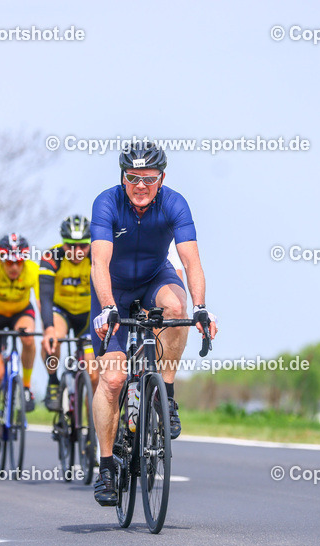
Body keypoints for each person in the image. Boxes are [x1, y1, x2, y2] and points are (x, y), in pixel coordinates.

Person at [89, 141, 218, 506]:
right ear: (122, 177)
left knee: (177, 309)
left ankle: (168, 395)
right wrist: (108, 307)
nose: (140, 186)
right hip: (110, 287)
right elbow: (99, 263)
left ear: (161, 179)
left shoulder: (175, 203)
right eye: (133, 178)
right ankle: (106, 469)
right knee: (112, 380)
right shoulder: (107, 202)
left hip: (154, 279)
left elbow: (191, 262)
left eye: (149, 178)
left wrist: (203, 308)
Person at [0, 233, 41, 463]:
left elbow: (42, 304)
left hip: (20, 313)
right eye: (9, 262)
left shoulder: (33, 270)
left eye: (18, 262)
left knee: (29, 337)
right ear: (1, 259)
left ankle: (27, 386)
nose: (14, 267)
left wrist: (49, 328)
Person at [40, 215, 99, 412]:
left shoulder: (96, 257)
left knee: (93, 374)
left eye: (82, 246)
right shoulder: (52, 257)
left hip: (88, 313)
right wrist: (48, 328)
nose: (77, 252)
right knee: (54, 338)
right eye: (71, 246)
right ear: (63, 243)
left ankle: (93, 429)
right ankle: (53, 381)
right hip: (61, 311)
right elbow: (45, 298)